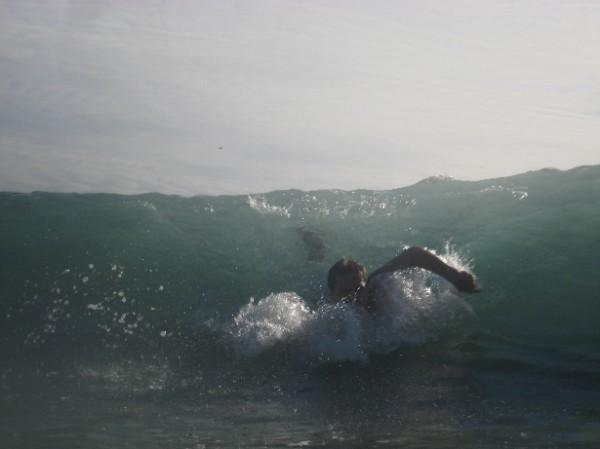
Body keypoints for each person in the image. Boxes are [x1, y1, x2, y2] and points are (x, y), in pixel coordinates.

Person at [327, 246, 479, 310]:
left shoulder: (375, 286)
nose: (355, 297)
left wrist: (453, 276)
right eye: (346, 292)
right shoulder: (329, 317)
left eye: (359, 289)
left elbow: (414, 254)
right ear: (331, 294)